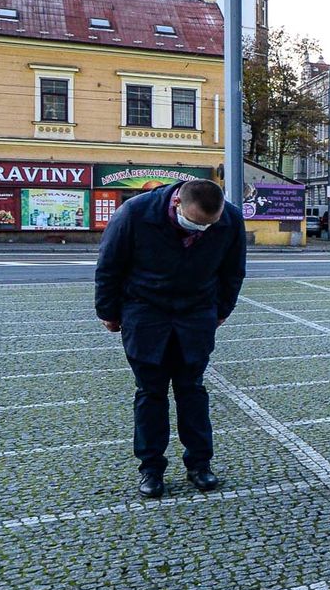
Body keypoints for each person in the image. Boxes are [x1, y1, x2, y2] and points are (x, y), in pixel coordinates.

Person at [95, 179, 247, 498]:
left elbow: (233, 272)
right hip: (146, 314)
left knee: (192, 390)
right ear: (177, 203)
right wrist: (108, 312)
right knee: (150, 393)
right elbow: (109, 266)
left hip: (196, 316)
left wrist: (221, 311)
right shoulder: (135, 214)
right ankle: (151, 469)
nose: (200, 231)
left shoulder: (230, 219)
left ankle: (200, 465)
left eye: (209, 225)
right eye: (195, 223)